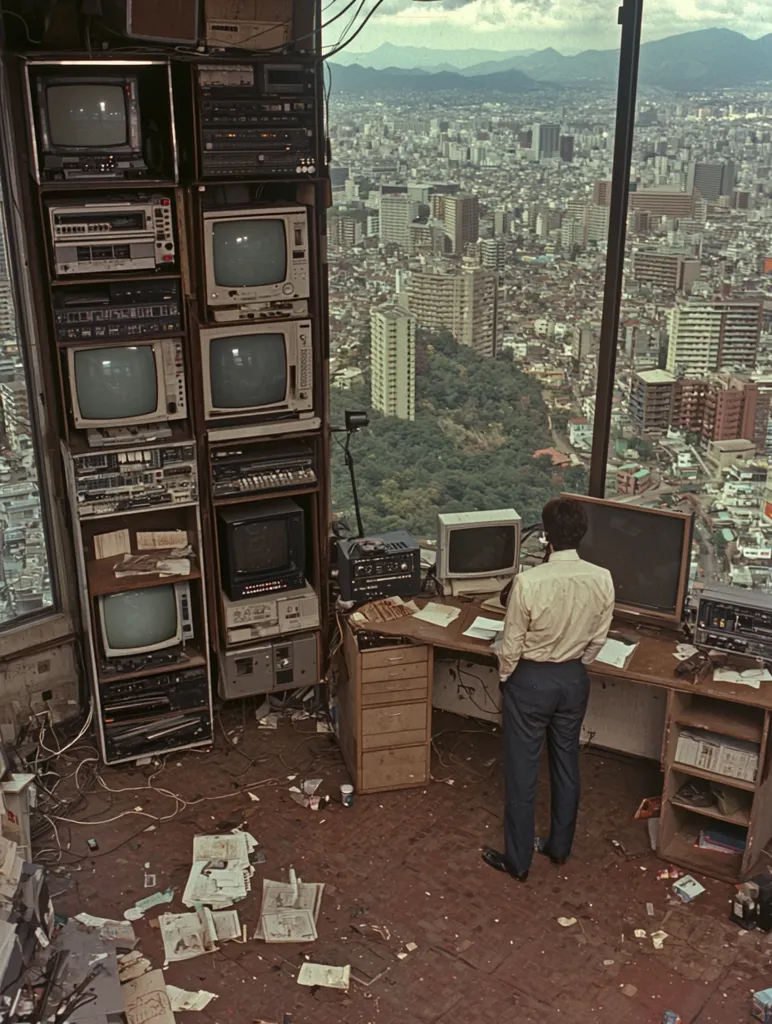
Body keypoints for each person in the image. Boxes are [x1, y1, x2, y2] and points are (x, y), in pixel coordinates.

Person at [482, 496, 615, 883]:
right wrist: (576, 664)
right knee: (566, 762)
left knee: (523, 771)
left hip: (531, 681)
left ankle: (518, 861)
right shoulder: (602, 577)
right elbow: (598, 639)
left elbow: (511, 645)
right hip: (573, 679)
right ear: (582, 532)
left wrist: (508, 678)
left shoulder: (528, 582)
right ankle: (559, 847)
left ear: (546, 537)